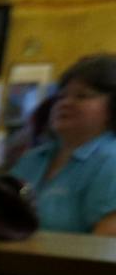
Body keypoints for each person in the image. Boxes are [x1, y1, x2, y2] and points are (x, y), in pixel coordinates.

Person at [9, 53, 116, 235]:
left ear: (113, 109)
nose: (65, 103)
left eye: (82, 96)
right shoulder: (32, 159)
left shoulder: (110, 161)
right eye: (61, 96)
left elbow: (102, 252)